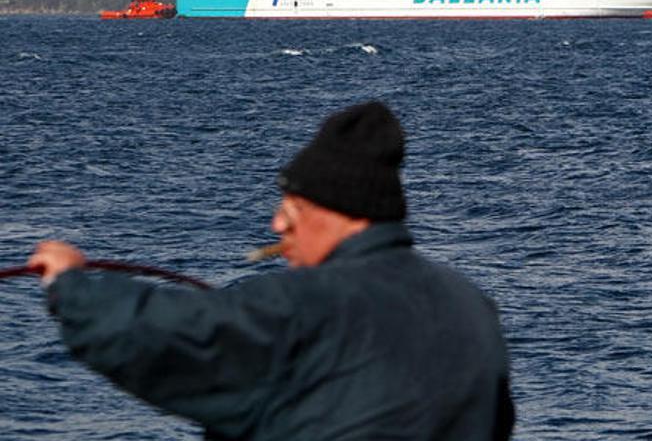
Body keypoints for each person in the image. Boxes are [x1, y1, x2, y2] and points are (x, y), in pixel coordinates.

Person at [28, 101, 515, 441]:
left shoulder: (304, 303)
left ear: (336, 210)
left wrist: (69, 283)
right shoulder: (472, 306)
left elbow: (167, 336)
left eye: (292, 208)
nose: (277, 223)